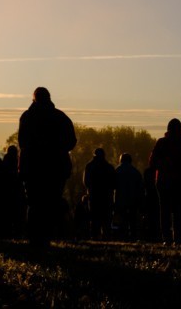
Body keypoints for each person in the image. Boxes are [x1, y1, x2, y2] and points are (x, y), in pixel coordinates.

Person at [18, 87, 77, 247]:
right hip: (56, 168)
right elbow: (71, 141)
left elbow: (22, 142)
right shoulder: (60, 117)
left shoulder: (27, 117)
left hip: (32, 168)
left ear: (34, 99)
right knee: (51, 202)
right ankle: (48, 236)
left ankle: (34, 237)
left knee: (34, 203)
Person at [148, 118, 181, 245]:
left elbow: (152, 162)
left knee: (165, 210)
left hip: (162, 181)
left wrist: (163, 166)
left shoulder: (161, 143)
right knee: (178, 211)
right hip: (179, 183)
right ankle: (178, 237)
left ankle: (167, 238)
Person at [83, 148, 116, 239]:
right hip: (107, 197)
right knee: (106, 219)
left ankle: (94, 237)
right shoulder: (109, 167)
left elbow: (86, 182)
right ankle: (106, 236)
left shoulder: (89, 166)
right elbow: (114, 183)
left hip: (94, 197)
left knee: (94, 218)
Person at [114, 153, 144, 240]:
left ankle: (122, 237)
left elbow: (112, 186)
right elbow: (141, 188)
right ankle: (133, 237)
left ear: (121, 160)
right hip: (133, 200)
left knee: (121, 220)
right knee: (132, 220)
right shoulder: (136, 172)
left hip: (120, 199)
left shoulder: (117, 171)